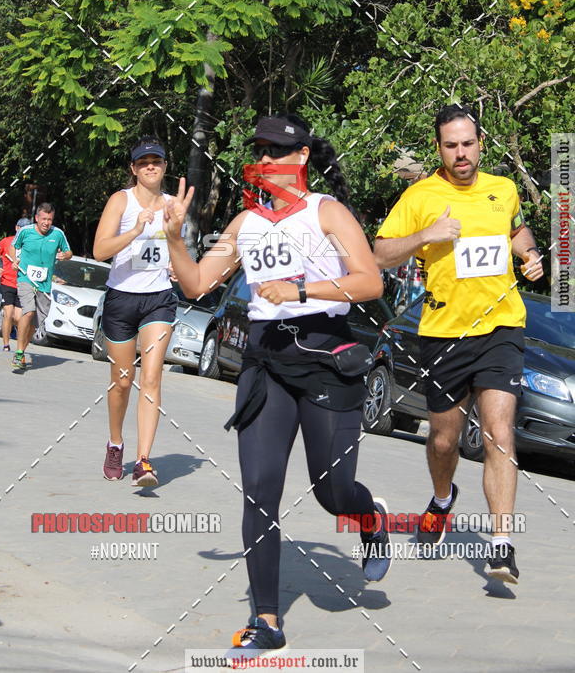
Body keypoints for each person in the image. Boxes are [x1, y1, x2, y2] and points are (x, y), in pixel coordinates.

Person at [162, 114, 390, 661]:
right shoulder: (245, 223)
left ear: (303, 156)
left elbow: (370, 280)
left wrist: (302, 288)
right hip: (265, 361)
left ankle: (370, 517)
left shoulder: (327, 212)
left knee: (331, 493)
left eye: (277, 150)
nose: (266, 159)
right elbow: (195, 284)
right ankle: (266, 618)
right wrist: (173, 238)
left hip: (324, 355)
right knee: (260, 490)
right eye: (259, 149)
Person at [373, 104, 544, 584]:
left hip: (501, 328)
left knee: (499, 433)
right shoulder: (421, 195)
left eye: (468, 143)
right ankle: (443, 498)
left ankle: (502, 546)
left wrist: (529, 254)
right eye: (451, 145)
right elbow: (379, 252)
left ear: (480, 144)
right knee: (444, 439)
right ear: (439, 149)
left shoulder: (503, 189)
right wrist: (427, 234)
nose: (461, 153)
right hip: (444, 334)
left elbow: (515, 230)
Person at [93, 136, 178, 488]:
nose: (150, 167)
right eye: (143, 162)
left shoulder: (174, 204)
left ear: (164, 166)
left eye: (156, 161)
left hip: (159, 299)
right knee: (123, 382)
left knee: (153, 377)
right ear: (134, 169)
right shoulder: (121, 200)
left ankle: (143, 461)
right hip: (122, 300)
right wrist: (136, 230)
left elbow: (178, 246)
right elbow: (99, 250)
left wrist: (178, 264)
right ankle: (116, 443)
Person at [8, 204, 72, 371]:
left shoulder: (58, 234)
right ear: (37, 218)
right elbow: (13, 246)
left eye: (49, 219)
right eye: (43, 219)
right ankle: (19, 352)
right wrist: (14, 260)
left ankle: (22, 348)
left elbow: (69, 252)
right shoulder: (25, 231)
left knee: (35, 323)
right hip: (25, 277)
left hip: (44, 283)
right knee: (28, 311)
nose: (46, 223)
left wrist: (66, 255)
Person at [0, 217, 31, 351]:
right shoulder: (6, 241)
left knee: (18, 317)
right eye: (22, 228)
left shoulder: (31, 246)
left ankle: (13, 332)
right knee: (8, 312)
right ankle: (6, 344)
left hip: (23, 284)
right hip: (7, 282)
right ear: (17, 228)